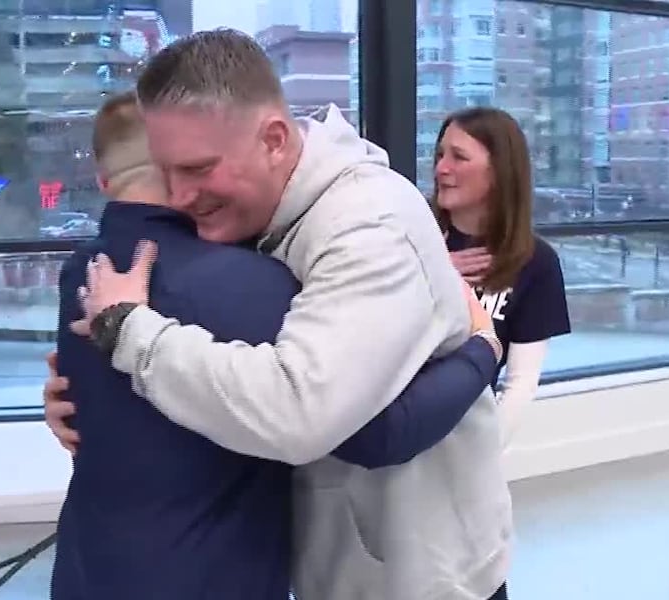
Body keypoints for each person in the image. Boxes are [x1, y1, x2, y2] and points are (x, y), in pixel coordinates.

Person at [73, 29, 513, 600]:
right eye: (166, 171)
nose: (178, 196)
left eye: (199, 169)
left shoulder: (371, 225)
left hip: (418, 581)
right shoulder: (249, 215)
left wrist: (132, 336)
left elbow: (300, 412)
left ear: (275, 140)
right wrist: (82, 396)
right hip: (331, 568)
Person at [434, 107, 572, 448]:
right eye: (440, 155)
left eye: (459, 157)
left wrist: (485, 456)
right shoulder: (410, 231)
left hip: (465, 436)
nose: (441, 169)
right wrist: (430, 270)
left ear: (498, 173)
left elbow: (521, 382)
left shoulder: (536, 262)